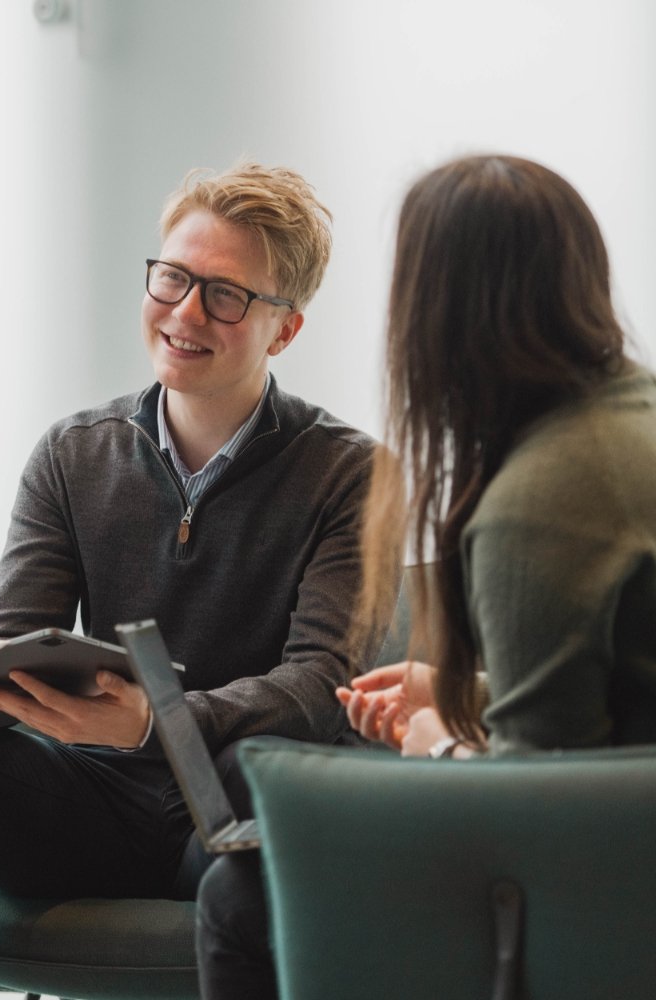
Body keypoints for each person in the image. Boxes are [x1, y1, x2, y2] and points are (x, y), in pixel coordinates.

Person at [0, 162, 386, 979]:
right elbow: (11, 642)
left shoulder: (350, 474)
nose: (184, 312)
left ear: (285, 329)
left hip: (226, 810)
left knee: (269, 782)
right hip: (88, 803)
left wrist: (156, 722)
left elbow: (322, 685)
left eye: (226, 293)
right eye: (172, 277)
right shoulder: (75, 454)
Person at [196, 154, 656, 999]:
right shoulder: (633, 416)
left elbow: (544, 808)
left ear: (438, 312)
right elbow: (620, 704)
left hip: (621, 890)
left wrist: (436, 743)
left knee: (240, 895)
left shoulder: (541, 497)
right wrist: (463, 692)